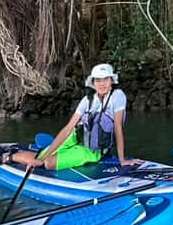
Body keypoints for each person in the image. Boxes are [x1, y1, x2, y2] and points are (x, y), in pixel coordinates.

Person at [10, 63, 138, 170]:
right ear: (93, 83)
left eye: (105, 79)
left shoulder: (118, 96)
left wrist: (122, 160)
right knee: (41, 159)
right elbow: (68, 128)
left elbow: (118, 127)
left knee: (48, 164)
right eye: (98, 80)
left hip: (92, 149)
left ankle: (36, 157)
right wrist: (42, 158)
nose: (102, 84)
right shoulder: (87, 100)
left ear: (111, 81)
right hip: (75, 137)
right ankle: (8, 157)